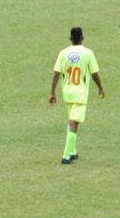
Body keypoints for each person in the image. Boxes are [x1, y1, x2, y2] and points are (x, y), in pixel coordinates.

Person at [48, 27, 105, 165]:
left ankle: (72, 151)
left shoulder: (63, 53)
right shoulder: (88, 53)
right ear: (82, 38)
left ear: (70, 39)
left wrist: (52, 92)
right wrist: (100, 87)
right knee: (74, 123)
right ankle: (66, 156)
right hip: (80, 94)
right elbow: (94, 73)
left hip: (67, 93)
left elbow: (56, 72)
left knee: (72, 121)